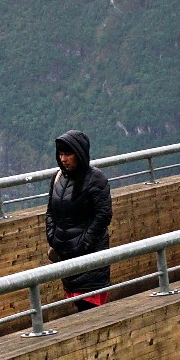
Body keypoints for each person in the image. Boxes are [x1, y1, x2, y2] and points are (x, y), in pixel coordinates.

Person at [45, 130, 113, 309]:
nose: (63, 159)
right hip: (66, 257)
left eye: (68, 154)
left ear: (80, 154)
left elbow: (104, 215)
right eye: (60, 154)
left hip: (90, 258)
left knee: (90, 308)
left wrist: (84, 243)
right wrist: (53, 238)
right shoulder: (58, 178)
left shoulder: (96, 179)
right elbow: (51, 211)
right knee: (78, 304)